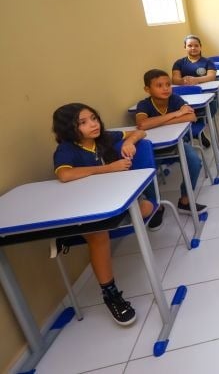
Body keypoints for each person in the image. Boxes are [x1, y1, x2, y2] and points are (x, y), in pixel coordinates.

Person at [52, 103, 161, 325]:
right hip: (86, 208)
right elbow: (64, 175)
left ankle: (104, 225)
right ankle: (110, 293)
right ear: (68, 129)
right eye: (82, 122)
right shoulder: (67, 148)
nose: (93, 124)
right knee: (98, 233)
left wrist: (130, 141)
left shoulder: (104, 138)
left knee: (148, 207)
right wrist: (107, 169)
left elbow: (140, 131)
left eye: (93, 118)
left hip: (115, 199)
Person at [135, 69, 207, 216]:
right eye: (159, 85)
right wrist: (176, 114)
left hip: (177, 145)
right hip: (152, 149)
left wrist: (156, 122)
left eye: (168, 84)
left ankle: (185, 200)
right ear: (147, 89)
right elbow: (142, 124)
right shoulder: (144, 104)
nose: (166, 88)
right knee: (145, 168)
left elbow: (191, 117)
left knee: (194, 161)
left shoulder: (175, 99)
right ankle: (156, 205)